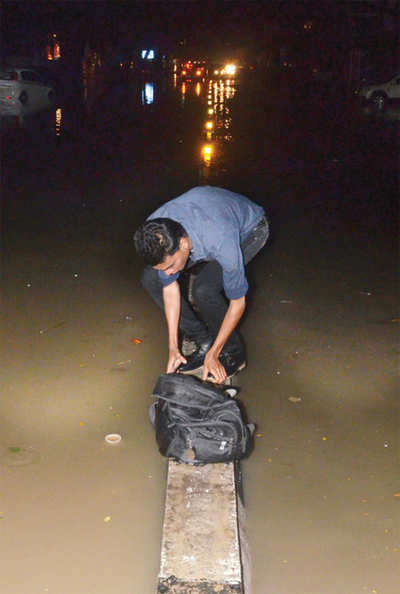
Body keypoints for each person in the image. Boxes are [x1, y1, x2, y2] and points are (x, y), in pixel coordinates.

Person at [134, 186, 269, 384]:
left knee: (204, 289)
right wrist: (173, 346)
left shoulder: (220, 240)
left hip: (250, 230)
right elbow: (170, 288)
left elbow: (237, 303)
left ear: (183, 244)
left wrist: (215, 353)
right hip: (204, 224)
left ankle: (234, 352)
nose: (168, 272)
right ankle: (203, 339)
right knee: (151, 278)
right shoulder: (155, 231)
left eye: (170, 266)